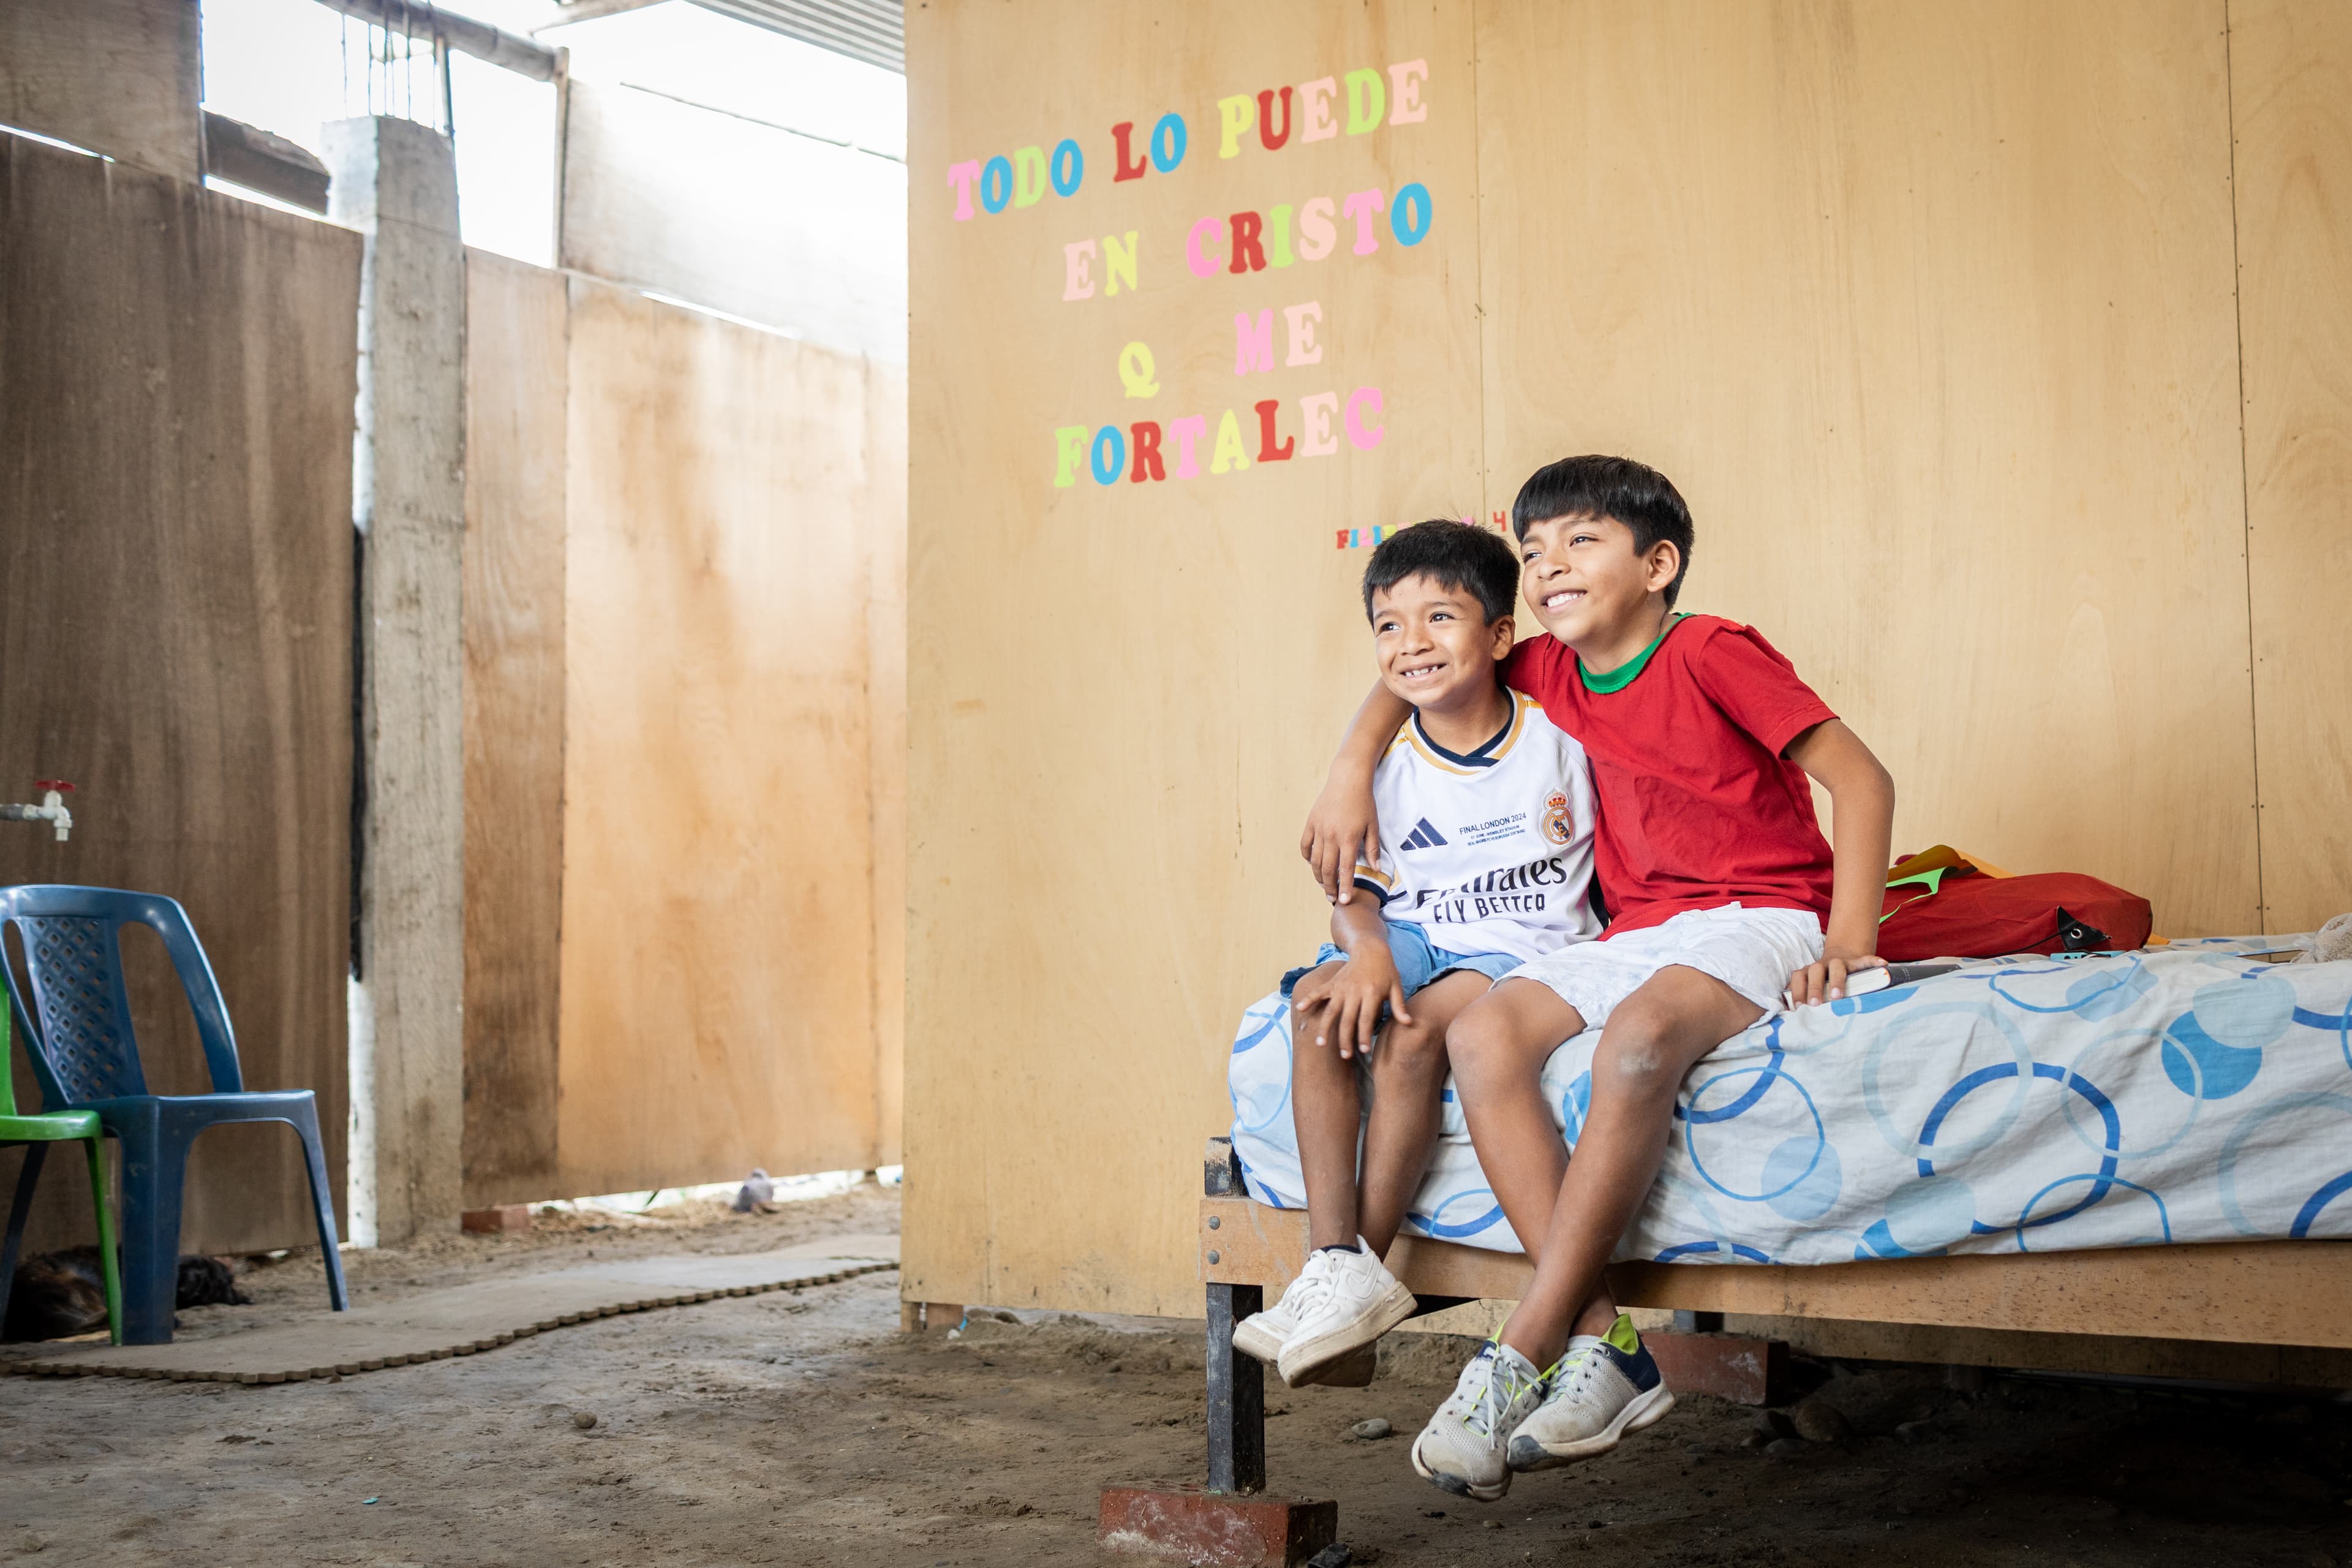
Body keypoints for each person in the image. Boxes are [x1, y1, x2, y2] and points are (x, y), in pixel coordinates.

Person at [1301, 457, 1896, 1499]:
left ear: (1658, 564)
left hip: (1758, 913)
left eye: (1581, 542)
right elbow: (1428, 661)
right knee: (1481, 1034)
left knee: (1634, 1041)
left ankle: (1526, 1343)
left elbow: (1861, 777)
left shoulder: (1711, 649)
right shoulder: (1551, 670)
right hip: (1641, 927)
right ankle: (1609, 1345)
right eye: (1533, 551)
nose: (1548, 568)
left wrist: (1848, 939)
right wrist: (1352, 768)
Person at [1236, 519, 1603, 1389]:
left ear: (1500, 636)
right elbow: (1354, 898)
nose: (1413, 644)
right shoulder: (1388, 774)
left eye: (1441, 618)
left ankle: (1361, 1266)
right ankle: (1335, 1263)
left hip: (1522, 946)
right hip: (1418, 931)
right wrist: (1364, 952)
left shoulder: (1561, 735)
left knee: (1407, 1034)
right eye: (1390, 626)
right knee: (1317, 1008)